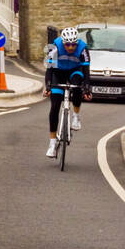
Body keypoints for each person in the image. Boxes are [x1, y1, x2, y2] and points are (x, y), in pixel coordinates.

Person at [44, 26, 91, 158]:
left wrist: (86, 88)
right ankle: (52, 144)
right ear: (63, 42)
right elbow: (49, 70)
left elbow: (87, 72)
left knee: (77, 86)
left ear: (77, 42)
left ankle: (76, 116)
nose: (70, 47)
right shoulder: (54, 47)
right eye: (68, 44)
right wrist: (48, 87)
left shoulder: (83, 48)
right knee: (54, 106)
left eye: (73, 44)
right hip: (58, 72)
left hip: (74, 71)